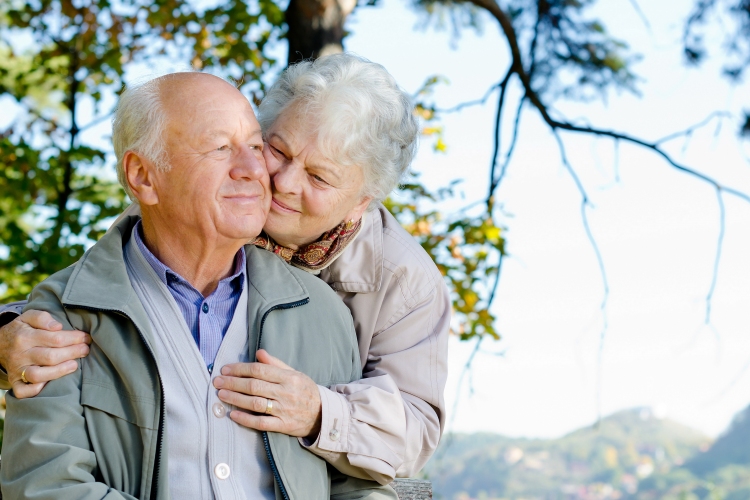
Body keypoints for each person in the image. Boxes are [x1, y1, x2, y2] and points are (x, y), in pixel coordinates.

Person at [0, 54, 450, 485]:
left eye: (319, 178)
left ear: (362, 200)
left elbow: (415, 431)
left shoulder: (401, 282)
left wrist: (318, 411)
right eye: (276, 149)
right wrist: (7, 336)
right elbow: (101, 294)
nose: (283, 183)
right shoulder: (203, 203)